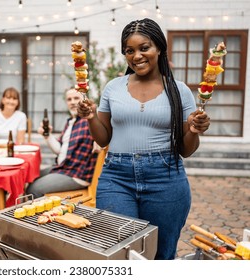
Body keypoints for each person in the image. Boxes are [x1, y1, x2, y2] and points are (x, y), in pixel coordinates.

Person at [77, 18, 211, 260]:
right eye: (129, 50)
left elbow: (186, 150)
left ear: (159, 47)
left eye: (144, 47)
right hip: (116, 177)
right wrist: (90, 117)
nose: (136, 56)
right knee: (119, 252)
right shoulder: (113, 88)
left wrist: (193, 130)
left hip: (165, 179)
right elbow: (104, 137)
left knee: (161, 255)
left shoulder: (179, 91)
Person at [26, 88, 98, 198]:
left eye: (76, 98)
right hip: (64, 167)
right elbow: (60, 150)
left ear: (84, 100)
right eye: (69, 99)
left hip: (77, 174)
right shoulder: (70, 122)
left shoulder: (89, 121)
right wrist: (47, 135)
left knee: (33, 189)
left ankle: (43, 214)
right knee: (32, 176)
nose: (72, 102)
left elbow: (101, 136)